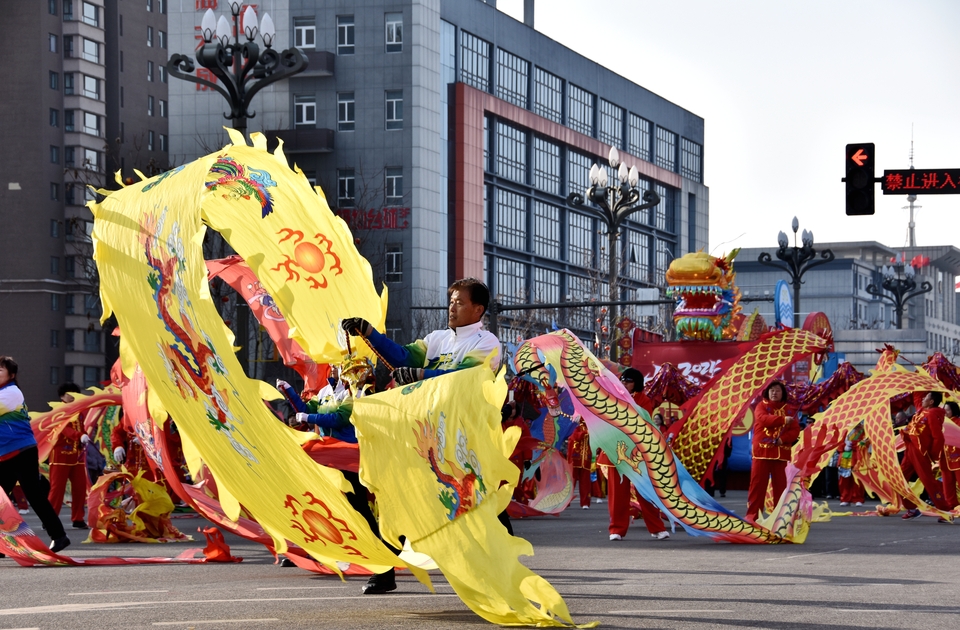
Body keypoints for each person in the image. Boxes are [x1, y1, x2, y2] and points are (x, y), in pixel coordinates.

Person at [342, 277, 502, 594]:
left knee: (476, 509)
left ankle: (495, 571)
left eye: (460, 302)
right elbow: (402, 357)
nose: (452, 307)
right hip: (421, 435)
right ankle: (385, 568)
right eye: (451, 301)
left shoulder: (487, 344)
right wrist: (368, 332)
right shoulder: (437, 339)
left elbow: (463, 379)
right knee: (386, 496)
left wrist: (421, 374)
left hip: (461, 444)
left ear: (478, 309)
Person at [0, 356, 70, 552]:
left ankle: (59, 536)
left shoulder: (12, 393)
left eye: (0, 371)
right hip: (5, 455)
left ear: (11, 375)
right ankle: (4, 544)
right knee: (2, 500)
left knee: (34, 496)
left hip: (22, 452)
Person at [599, 368, 669, 541]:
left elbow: (643, 423)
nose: (624, 383)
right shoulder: (612, 397)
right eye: (622, 380)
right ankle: (616, 529)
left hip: (637, 454)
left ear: (636, 383)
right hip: (616, 452)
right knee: (617, 494)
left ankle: (656, 528)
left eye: (628, 380)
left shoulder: (643, 400)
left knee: (645, 492)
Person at [746, 381, 801, 522]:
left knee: (781, 488)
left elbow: (795, 430)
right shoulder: (761, 406)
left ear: (783, 393)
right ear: (767, 393)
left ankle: (782, 519)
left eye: (777, 390)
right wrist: (782, 420)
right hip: (762, 453)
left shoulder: (790, 410)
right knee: (757, 486)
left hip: (781, 454)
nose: (774, 393)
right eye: (772, 390)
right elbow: (763, 420)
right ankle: (753, 517)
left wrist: (784, 439)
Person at [47, 383, 91, 529]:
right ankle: (50, 519)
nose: (72, 396)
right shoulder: (58, 410)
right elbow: (63, 429)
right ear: (61, 396)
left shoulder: (79, 411)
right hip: (61, 455)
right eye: (68, 393)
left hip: (77, 455)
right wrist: (80, 436)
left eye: (74, 393)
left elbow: (81, 428)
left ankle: (78, 518)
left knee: (79, 488)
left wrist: (84, 435)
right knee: (57, 489)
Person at [900, 391, 950, 519]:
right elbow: (917, 397)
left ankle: (945, 511)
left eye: (925, 398)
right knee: (899, 478)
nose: (922, 399)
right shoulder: (921, 410)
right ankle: (911, 508)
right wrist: (918, 383)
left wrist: (932, 455)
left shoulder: (933, 414)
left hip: (920, 452)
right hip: (910, 448)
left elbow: (938, 437)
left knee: (928, 481)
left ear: (931, 401)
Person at [837, 422, 867, 507]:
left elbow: (866, 443)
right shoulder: (845, 430)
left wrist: (854, 445)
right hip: (844, 458)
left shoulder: (863, 431)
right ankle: (845, 498)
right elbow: (838, 443)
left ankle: (858, 498)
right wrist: (843, 446)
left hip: (857, 458)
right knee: (844, 480)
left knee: (857, 479)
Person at [566, 418, 592, 509]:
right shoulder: (576, 428)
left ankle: (585, 502)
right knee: (570, 482)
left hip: (586, 459)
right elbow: (576, 437)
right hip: (575, 459)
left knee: (585, 483)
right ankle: (566, 502)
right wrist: (585, 433)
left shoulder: (592, 429)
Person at [940, 401, 960, 512]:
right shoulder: (941, 423)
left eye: (947, 410)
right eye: (944, 410)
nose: (945, 412)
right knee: (947, 483)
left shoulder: (958, 422)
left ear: (954, 411)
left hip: (957, 457)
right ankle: (951, 504)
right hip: (944, 457)